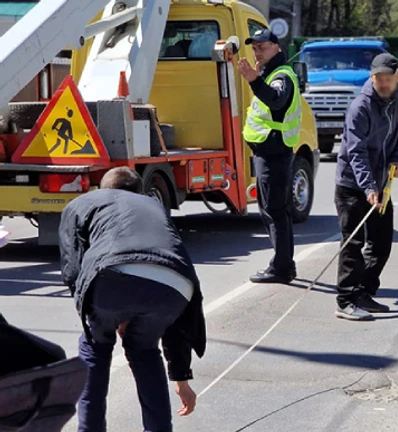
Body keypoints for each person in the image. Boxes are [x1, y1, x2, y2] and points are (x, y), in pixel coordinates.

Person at [59, 167, 205, 432]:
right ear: (139, 192)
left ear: (102, 189)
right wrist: (181, 377)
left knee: (95, 345)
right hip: (176, 285)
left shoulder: (81, 203)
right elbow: (176, 322)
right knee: (144, 350)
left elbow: (72, 268)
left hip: (111, 276)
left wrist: (94, 311)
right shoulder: (153, 206)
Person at [333, 53, 398, 321]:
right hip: (352, 184)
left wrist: (397, 160)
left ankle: (363, 292)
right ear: (372, 77)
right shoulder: (361, 107)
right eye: (378, 78)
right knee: (353, 242)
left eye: (388, 79)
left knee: (381, 243)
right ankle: (345, 299)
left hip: (382, 183)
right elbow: (356, 152)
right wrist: (368, 187)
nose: (383, 83)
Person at [237, 28, 302, 284]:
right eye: (254, 47)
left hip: (274, 152)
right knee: (275, 210)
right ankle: (284, 264)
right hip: (270, 151)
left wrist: (253, 80)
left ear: (276, 47)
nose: (257, 51)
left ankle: (281, 267)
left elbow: (276, 100)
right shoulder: (271, 72)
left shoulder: (281, 75)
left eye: (262, 47)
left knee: (274, 211)